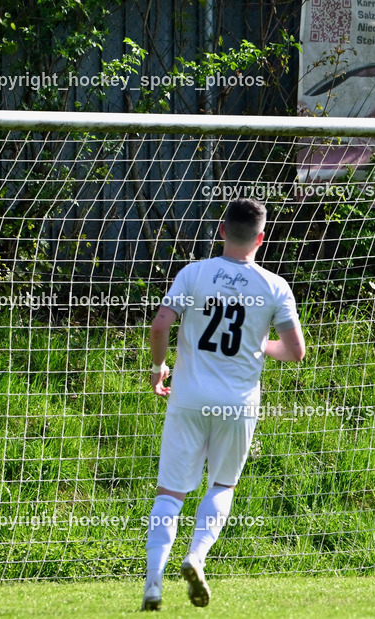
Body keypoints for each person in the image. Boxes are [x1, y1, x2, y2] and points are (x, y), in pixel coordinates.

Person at [142, 198, 306, 611]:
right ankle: (196, 557)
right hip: (237, 404)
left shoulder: (193, 273)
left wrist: (159, 368)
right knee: (222, 485)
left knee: (170, 493)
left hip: (188, 398)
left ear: (221, 230)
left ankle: (153, 585)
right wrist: (259, 346)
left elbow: (160, 324)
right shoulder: (274, 286)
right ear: (261, 238)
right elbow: (295, 351)